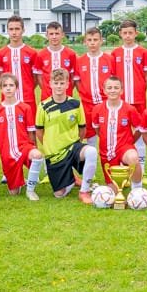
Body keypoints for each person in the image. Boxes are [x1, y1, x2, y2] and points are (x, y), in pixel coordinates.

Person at [36, 68, 97, 203]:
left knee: (91, 151)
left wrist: (77, 144)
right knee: (59, 194)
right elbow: (39, 132)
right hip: (54, 155)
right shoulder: (43, 106)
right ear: (50, 84)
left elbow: (82, 129)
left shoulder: (75, 104)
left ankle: (84, 191)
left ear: (67, 84)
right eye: (56, 83)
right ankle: (71, 179)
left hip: (72, 147)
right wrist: (49, 146)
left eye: (62, 83)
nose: (59, 86)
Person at [0, 73, 44, 200]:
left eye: (11, 85)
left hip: (24, 146)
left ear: (16, 87)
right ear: (1, 88)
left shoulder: (25, 108)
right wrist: (5, 149)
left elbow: (31, 133)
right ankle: (19, 181)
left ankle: (30, 190)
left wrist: (31, 147)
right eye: (5, 86)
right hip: (7, 153)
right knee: (14, 192)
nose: (8, 88)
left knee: (37, 155)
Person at [111, 19, 147, 173]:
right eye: (125, 33)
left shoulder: (143, 52)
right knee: (121, 132)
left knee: (141, 131)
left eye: (130, 33)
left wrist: (140, 88)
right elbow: (113, 77)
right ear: (120, 34)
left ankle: (140, 169)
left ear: (136, 33)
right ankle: (122, 167)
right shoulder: (115, 53)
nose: (128, 36)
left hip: (138, 99)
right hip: (121, 102)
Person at [91, 75, 144, 192]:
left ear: (121, 90)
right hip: (106, 151)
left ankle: (137, 191)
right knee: (113, 191)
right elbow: (98, 130)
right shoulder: (97, 109)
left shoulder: (130, 109)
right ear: (104, 90)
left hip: (124, 147)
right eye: (109, 88)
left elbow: (139, 128)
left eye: (116, 87)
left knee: (133, 157)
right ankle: (117, 183)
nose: (113, 90)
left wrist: (130, 142)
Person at [73, 26, 113, 147]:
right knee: (89, 134)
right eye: (89, 40)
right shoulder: (80, 60)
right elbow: (77, 81)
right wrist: (85, 93)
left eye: (95, 40)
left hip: (106, 103)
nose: (92, 43)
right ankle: (91, 162)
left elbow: (114, 80)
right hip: (87, 104)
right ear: (85, 42)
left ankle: (111, 159)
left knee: (107, 132)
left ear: (101, 41)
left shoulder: (109, 59)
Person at [0, 15, 39, 116]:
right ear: (7, 30)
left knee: (30, 131)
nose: (14, 32)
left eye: (17, 29)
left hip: (27, 99)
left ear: (23, 30)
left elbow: (36, 79)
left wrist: (27, 88)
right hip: (7, 100)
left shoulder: (32, 53)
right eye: (11, 29)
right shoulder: (0, 53)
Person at [35, 21, 77, 102]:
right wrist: (46, 89)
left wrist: (66, 89)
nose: (54, 37)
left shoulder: (71, 54)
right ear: (47, 36)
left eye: (57, 33)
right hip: (47, 97)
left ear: (62, 35)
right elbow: (39, 77)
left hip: (66, 97)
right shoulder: (41, 55)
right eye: (51, 34)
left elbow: (73, 76)